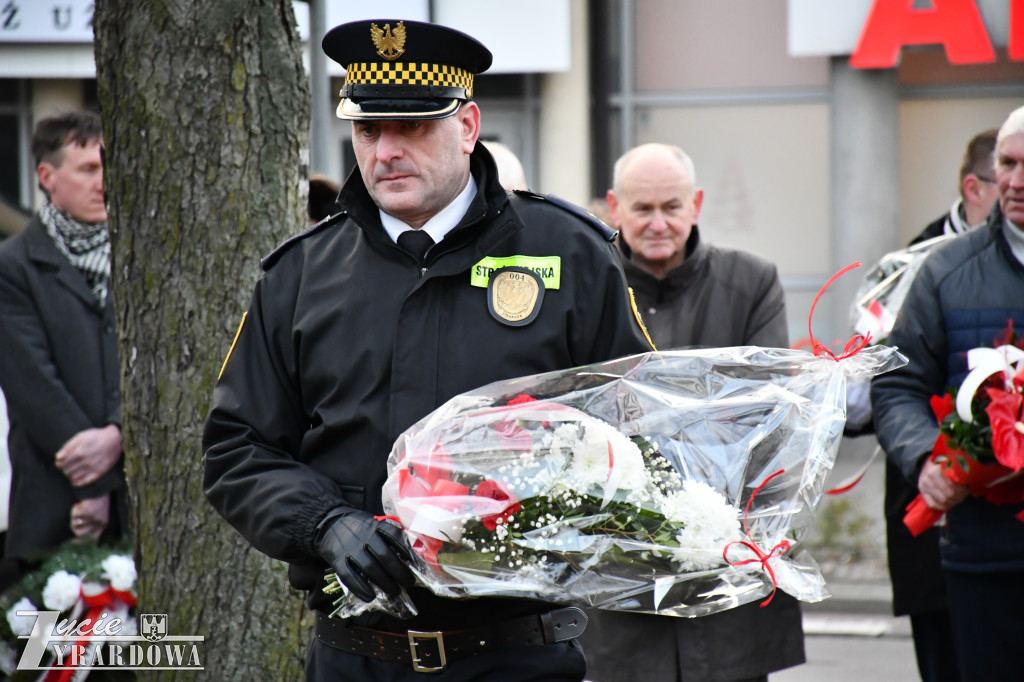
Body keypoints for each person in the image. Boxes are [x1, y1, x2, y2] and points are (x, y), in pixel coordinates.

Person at [202, 18, 651, 682]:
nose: (385, 151)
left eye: (411, 127)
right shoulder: (298, 277)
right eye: (367, 130)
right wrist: (325, 524)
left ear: (467, 126)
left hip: (515, 654)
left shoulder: (569, 252)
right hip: (357, 657)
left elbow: (637, 424)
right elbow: (237, 448)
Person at [579, 142, 802, 682]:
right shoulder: (588, 287)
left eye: (672, 207)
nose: (658, 223)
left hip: (729, 559)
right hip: (622, 572)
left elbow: (769, 413)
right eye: (642, 208)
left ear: (696, 204)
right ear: (615, 207)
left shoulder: (750, 282)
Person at [872, 105, 1024, 681]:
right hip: (982, 554)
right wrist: (924, 457)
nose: (1016, 181)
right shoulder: (944, 272)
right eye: (1007, 164)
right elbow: (898, 384)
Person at [0, 111, 127, 570]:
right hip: (52, 506)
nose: (102, 182)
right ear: (46, 177)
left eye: (107, 167)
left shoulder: (138, 256)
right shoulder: (13, 265)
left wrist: (118, 433)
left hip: (138, 502)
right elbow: (32, 384)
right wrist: (94, 486)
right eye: (88, 169)